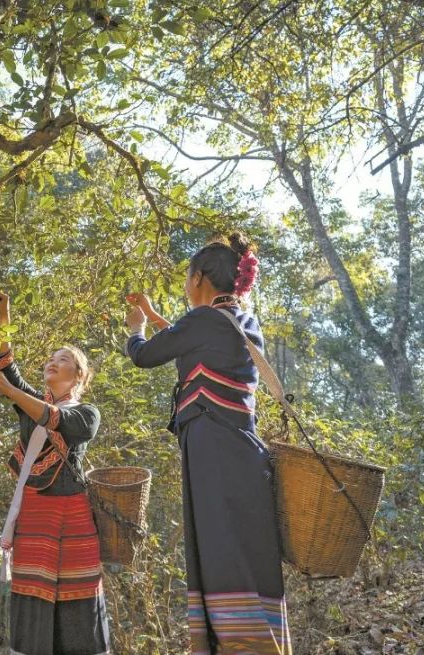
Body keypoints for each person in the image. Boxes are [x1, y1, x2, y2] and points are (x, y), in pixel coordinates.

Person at [122, 234, 290, 655]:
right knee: (246, 551)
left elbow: (144, 355)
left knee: (220, 550)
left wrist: (136, 328)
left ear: (198, 279)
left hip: (213, 452)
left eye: (185, 278)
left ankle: (237, 645)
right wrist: (158, 316)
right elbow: (192, 341)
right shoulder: (241, 322)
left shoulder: (203, 323)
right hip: (243, 454)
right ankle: (265, 641)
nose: (184, 285)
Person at [0, 289, 112, 655]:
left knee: (79, 602)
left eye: (63, 359)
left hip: (73, 519)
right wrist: (2, 318)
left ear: (79, 375)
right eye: (51, 358)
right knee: (33, 600)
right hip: (36, 516)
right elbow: (4, 365)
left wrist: (12, 390)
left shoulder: (87, 414)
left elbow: (53, 418)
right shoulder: (30, 405)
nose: (52, 362)